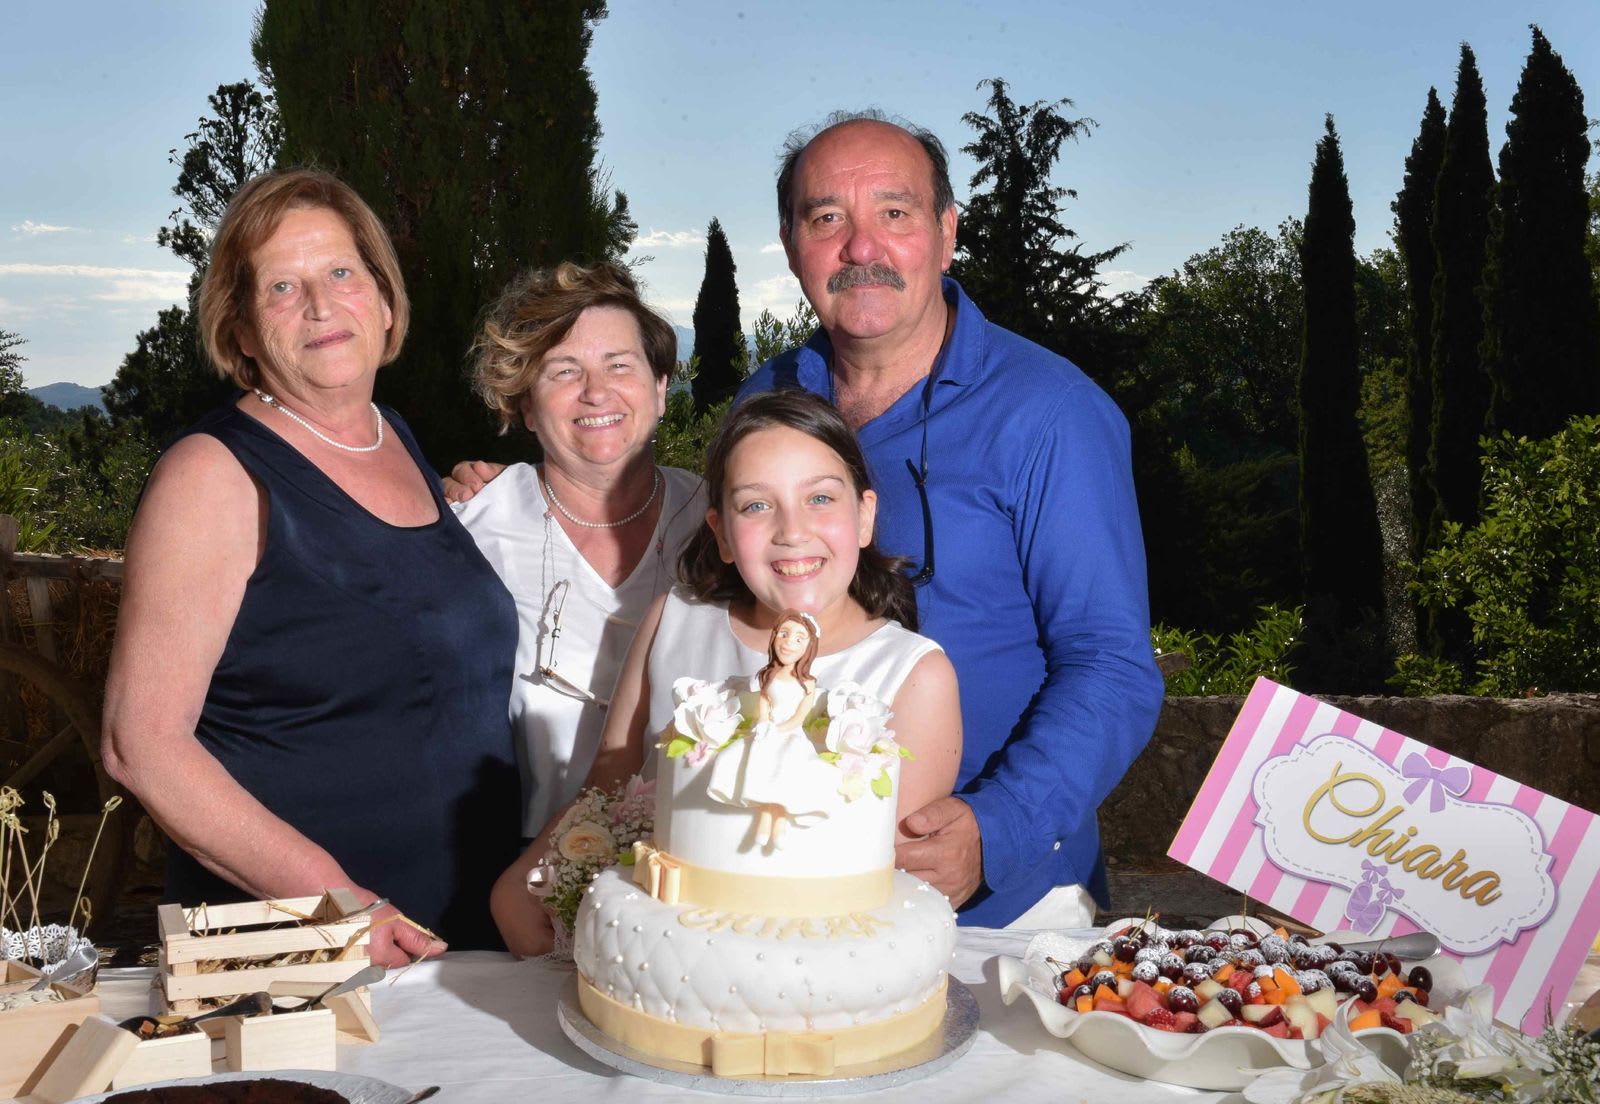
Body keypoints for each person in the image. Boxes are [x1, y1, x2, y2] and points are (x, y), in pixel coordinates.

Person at [740, 112, 1165, 928]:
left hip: (995, 908)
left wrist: (995, 828)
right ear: (793, 245)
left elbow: (1113, 667)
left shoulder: (1052, 413)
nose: (861, 247)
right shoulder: (766, 397)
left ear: (945, 232)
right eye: (827, 218)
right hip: (790, 888)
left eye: (894, 214)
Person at [101, 168, 519, 964]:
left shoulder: (392, 434)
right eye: (283, 288)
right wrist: (341, 905)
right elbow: (142, 744)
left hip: (460, 929)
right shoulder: (211, 475)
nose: (323, 306)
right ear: (245, 329)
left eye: (340, 274)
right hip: (310, 949)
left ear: (384, 299)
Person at [491, 389, 962, 956]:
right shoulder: (674, 618)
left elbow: (877, 886)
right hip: (645, 945)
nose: (791, 530)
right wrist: (530, 878)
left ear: (864, 516)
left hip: (808, 969)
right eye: (756, 505)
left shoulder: (916, 674)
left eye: (819, 498)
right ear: (720, 533)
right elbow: (612, 773)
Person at [452, 263, 705, 840]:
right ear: (523, 406)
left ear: (661, 388)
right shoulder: (472, 530)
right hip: (518, 877)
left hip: (696, 868)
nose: (596, 391)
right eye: (564, 371)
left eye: (620, 365)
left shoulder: (717, 525)